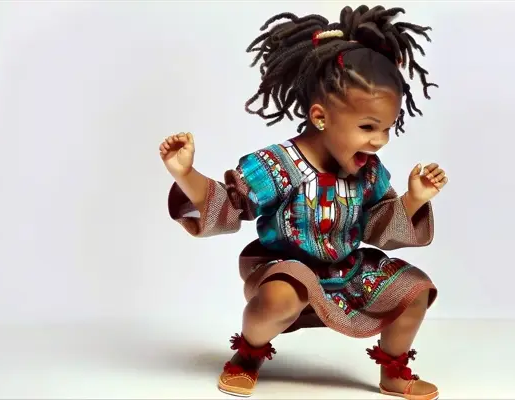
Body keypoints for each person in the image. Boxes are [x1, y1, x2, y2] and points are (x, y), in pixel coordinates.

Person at [159, 5, 448, 400]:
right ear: (320, 116)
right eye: (367, 127)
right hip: (284, 269)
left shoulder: (369, 173)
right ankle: (247, 356)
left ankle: (394, 371)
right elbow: (229, 207)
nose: (379, 140)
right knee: (282, 295)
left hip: (347, 272)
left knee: (414, 290)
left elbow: (378, 227)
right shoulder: (276, 166)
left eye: (387, 128)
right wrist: (186, 174)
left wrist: (415, 198)